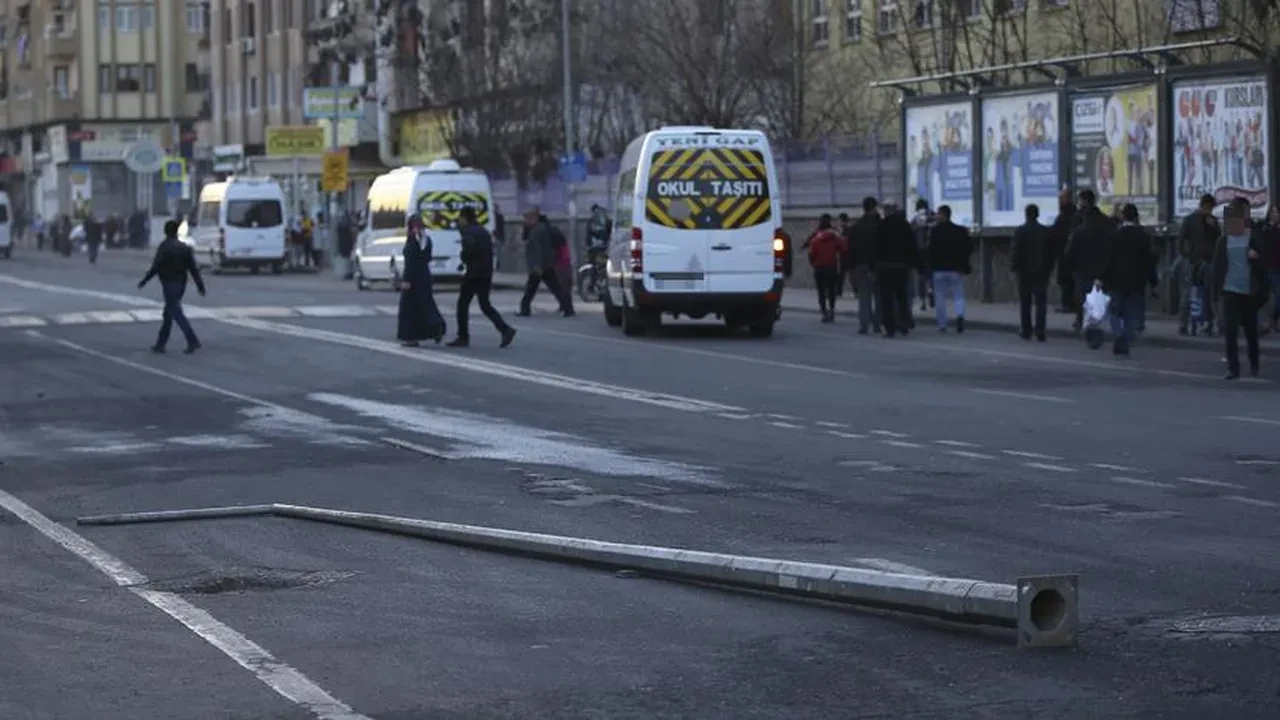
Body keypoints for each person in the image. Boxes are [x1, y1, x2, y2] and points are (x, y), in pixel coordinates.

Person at [1213, 198, 1271, 379]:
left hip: (1249, 291)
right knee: (1230, 332)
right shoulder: (1224, 240)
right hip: (1230, 290)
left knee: (1251, 333)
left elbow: (1264, 265)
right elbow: (1218, 267)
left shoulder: (1253, 236)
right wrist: (1217, 292)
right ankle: (1233, 368)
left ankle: (1254, 364)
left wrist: (1256, 258)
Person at [449, 207, 516, 348]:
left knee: (462, 305)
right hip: (485, 273)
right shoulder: (483, 231)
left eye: (460, 217)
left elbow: (469, 248)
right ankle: (505, 330)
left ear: (465, 218)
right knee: (485, 305)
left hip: (473, 273)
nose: (458, 220)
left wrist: (464, 258)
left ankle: (463, 337)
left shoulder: (469, 232)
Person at [138, 220, 205, 354]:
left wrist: (144, 281)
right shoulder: (184, 248)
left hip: (169, 283)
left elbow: (156, 267)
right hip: (181, 283)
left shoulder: (164, 247)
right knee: (169, 313)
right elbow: (193, 269)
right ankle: (160, 344)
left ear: (166, 231)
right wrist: (200, 286)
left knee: (175, 312)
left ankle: (192, 340)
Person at [1098, 203, 1155, 356]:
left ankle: (1118, 334)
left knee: (1115, 311)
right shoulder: (1143, 236)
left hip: (1117, 281)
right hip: (1137, 282)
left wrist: (1102, 278)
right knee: (1131, 313)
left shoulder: (1114, 235)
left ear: (1123, 216)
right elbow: (1149, 261)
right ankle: (1127, 339)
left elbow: (1107, 260)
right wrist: (1153, 282)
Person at [1065, 189, 1112, 333]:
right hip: (1102, 265)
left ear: (1083, 201)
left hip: (1083, 266)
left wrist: (1070, 264)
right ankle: (1097, 322)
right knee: (1099, 296)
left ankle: (1083, 321)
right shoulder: (1105, 221)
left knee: (1082, 296)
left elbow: (1071, 247)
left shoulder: (1079, 221)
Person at [396, 215, 448, 347]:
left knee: (408, 308)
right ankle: (436, 326)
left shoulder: (414, 239)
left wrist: (406, 280)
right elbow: (427, 258)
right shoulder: (426, 239)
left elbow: (411, 261)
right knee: (425, 304)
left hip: (413, 277)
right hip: (424, 276)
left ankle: (411, 337)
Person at [871, 203, 921, 338]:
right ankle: (903, 323)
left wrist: (873, 267)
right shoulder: (905, 226)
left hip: (884, 266)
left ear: (887, 211)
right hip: (902, 266)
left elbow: (875, 247)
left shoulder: (881, 226)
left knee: (886, 299)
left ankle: (890, 328)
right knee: (901, 297)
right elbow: (912, 246)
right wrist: (915, 264)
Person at [1177, 193, 1221, 335]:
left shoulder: (1213, 221)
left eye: (1211, 209)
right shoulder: (1190, 220)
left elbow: (1218, 239)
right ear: (1202, 206)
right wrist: (1186, 255)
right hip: (1193, 260)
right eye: (1208, 208)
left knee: (1209, 293)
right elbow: (1181, 239)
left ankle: (1208, 323)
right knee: (1188, 293)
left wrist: (1212, 227)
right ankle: (1184, 324)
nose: (1209, 211)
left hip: (1209, 261)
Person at [518, 209, 574, 317]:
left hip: (539, 266)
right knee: (555, 287)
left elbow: (538, 250)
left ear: (533, 219)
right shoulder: (538, 229)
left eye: (526, 219)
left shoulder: (537, 231)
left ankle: (525, 309)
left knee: (531, 289)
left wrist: (537, 266)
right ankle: (568, 308)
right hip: (545, 265)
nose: (525, 221)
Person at [926, 204, 972, 333]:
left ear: (943, 215)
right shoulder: (959, 230)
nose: (936, 216)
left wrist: (929, 266)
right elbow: (968, 247)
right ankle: (960, 316)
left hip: (939, 269)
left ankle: (942, 324)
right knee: (959, 295)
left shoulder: (935, 231)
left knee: (940, 297)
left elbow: (930, 250)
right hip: (956, 268)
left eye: (938, 213)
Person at [1011, 204, 1052, 341]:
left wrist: (1014, 268)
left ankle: (1026, 330)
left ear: (1026, 214)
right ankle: (1040, 331)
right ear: (1038, 214)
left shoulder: (1020, 231)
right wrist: (1048, 269)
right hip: (1041, 272)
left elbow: (1016, 252)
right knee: (1041, 303)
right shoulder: (1045, 231)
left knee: (1025, 303)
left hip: (1024, 272)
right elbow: (1050, 254)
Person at [847, 197, 881, 335]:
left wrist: (851, 267)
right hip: (878, 265)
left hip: (860, 265)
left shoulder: (856, 227)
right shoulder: (881, 226)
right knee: (879, 297)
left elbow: (851, 249)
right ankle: (878, 324)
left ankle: (864, 325)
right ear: (875, 207)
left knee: (864, 298)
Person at [806, 214, 847, 322]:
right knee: (831, 290)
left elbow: (811, 254)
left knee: (821, 291)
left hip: (819, 268)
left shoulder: (815, 238)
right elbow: (844, 248)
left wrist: (814, 263)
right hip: (831, 267)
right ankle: (832, 310)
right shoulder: (835, 236)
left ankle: (824, 312)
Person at [1049, 189, 1076, 313]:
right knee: (1067, 280)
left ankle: (1068, 304)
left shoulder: (1066, 214)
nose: (1060, 200)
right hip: (1067, 252)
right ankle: (1069, 304)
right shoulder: (1069, 213)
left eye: (1062, 198)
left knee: (1066, 280)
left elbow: (1058, 233)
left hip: (1066, 252)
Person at [1264, 204, 1280, 332]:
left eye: (1277, 212)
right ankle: (1272, 321)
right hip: (1271, 266)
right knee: (1276, 294)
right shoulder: (1266, 229)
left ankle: (1273, 321)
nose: (1275, 215)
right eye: (1273, 212)